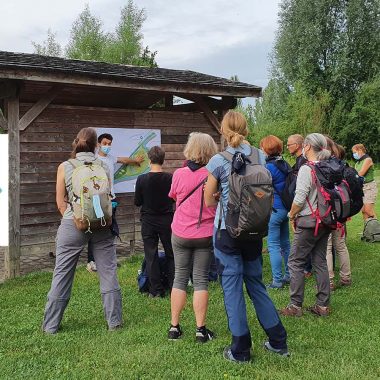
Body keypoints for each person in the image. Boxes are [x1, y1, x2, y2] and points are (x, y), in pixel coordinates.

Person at [205, 111, 289, 362]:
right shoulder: (260, 156)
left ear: (222, 130)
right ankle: (278, 341)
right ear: (246, 129)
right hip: (254, 229)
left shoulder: (218, 160)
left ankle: (240, 350)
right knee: (256, 285)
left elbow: (209, 200)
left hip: (227, 233)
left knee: (232, 289)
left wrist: (223, 195)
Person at [42, 127, 122, 333]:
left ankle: (51, 325)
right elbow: (108, 196)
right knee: (108, 271)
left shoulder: (65, 166)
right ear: (97, 145)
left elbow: (60, 201)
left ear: (76, 142)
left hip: (73, 223)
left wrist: (73, 218)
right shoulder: (103, 166)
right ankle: (114, 322)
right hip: (102, 224)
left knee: (62, 272)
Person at [168, 132, 218, 343]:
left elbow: (173, 196)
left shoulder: (179, 174)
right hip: (205, 233)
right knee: (200, 280)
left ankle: (174, 327)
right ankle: (200, 330)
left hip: (180, 231)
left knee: (180, 277)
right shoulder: (213, 174)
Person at [281, 133, 331, 318]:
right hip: (326, 220)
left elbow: (300, 197)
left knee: (295, 261)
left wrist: (291, 215)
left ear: (308, 147)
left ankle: (295, 306)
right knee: (320, 261)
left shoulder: (306, 169)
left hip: (309, 221)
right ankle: (323, 306)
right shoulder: (328, 166)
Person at [87, 133, 144, 272]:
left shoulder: (111, 158)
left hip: (111, 199)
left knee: (110, 229)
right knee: (95, 228)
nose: (107, 146)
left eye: (109, 143)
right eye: (105, 143)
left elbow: (123, 160)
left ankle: (107, 259)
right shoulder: (93, 159)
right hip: (97, 199)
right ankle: (91, 261)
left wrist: (135, 160)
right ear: (98, 144)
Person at [134, 146, 174, 297]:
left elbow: (137, 202)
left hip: (148, 220)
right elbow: (173, 198)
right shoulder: (170, 178)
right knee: (171, 253)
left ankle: (156, 290)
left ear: (149, 160)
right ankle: (173, 286)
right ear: (163, 160)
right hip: (167, 220)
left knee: (151, 254)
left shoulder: (141, 179)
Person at [260, 135, 291, 289]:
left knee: (272, 245)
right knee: (285, 243)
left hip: (274, 209)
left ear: (266, 149)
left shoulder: (268, 167)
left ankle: (277, 281)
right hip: (286, 209)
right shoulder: (284, 164)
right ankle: (289, 275)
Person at [325, 137, 351, 290]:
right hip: (341, 210)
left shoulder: (323, 166)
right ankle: (346, 277)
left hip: (328, 210)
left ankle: (329, 281)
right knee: (341, 245)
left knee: (327, 247)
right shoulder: (341, 165)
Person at [352, 144, 377, 220]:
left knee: (368, 210)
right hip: (361, 188)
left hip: (369, 187)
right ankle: (368, 230)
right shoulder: (357, 163)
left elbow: (360, 173)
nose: (354, 154)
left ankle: (377, 229)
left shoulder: (367, 159)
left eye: (354, 152)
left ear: (360, 150)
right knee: (363, 210)